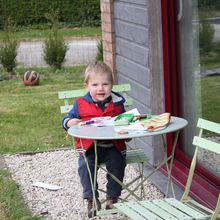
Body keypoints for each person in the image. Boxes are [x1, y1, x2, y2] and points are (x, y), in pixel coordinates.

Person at [62, 61, 127, 218]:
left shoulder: (117, 103)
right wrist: (70, 122)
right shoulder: (80, 104)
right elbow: (67, 119)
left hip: (112, 146)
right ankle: (91, 198)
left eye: (105, 84)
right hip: (90, 147)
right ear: (87, 86)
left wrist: (127, 128)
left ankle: (112, 197)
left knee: (118, 163)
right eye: (95, 84)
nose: (101, 88)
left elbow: (126, 121)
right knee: (85, 165)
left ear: (112, 85)